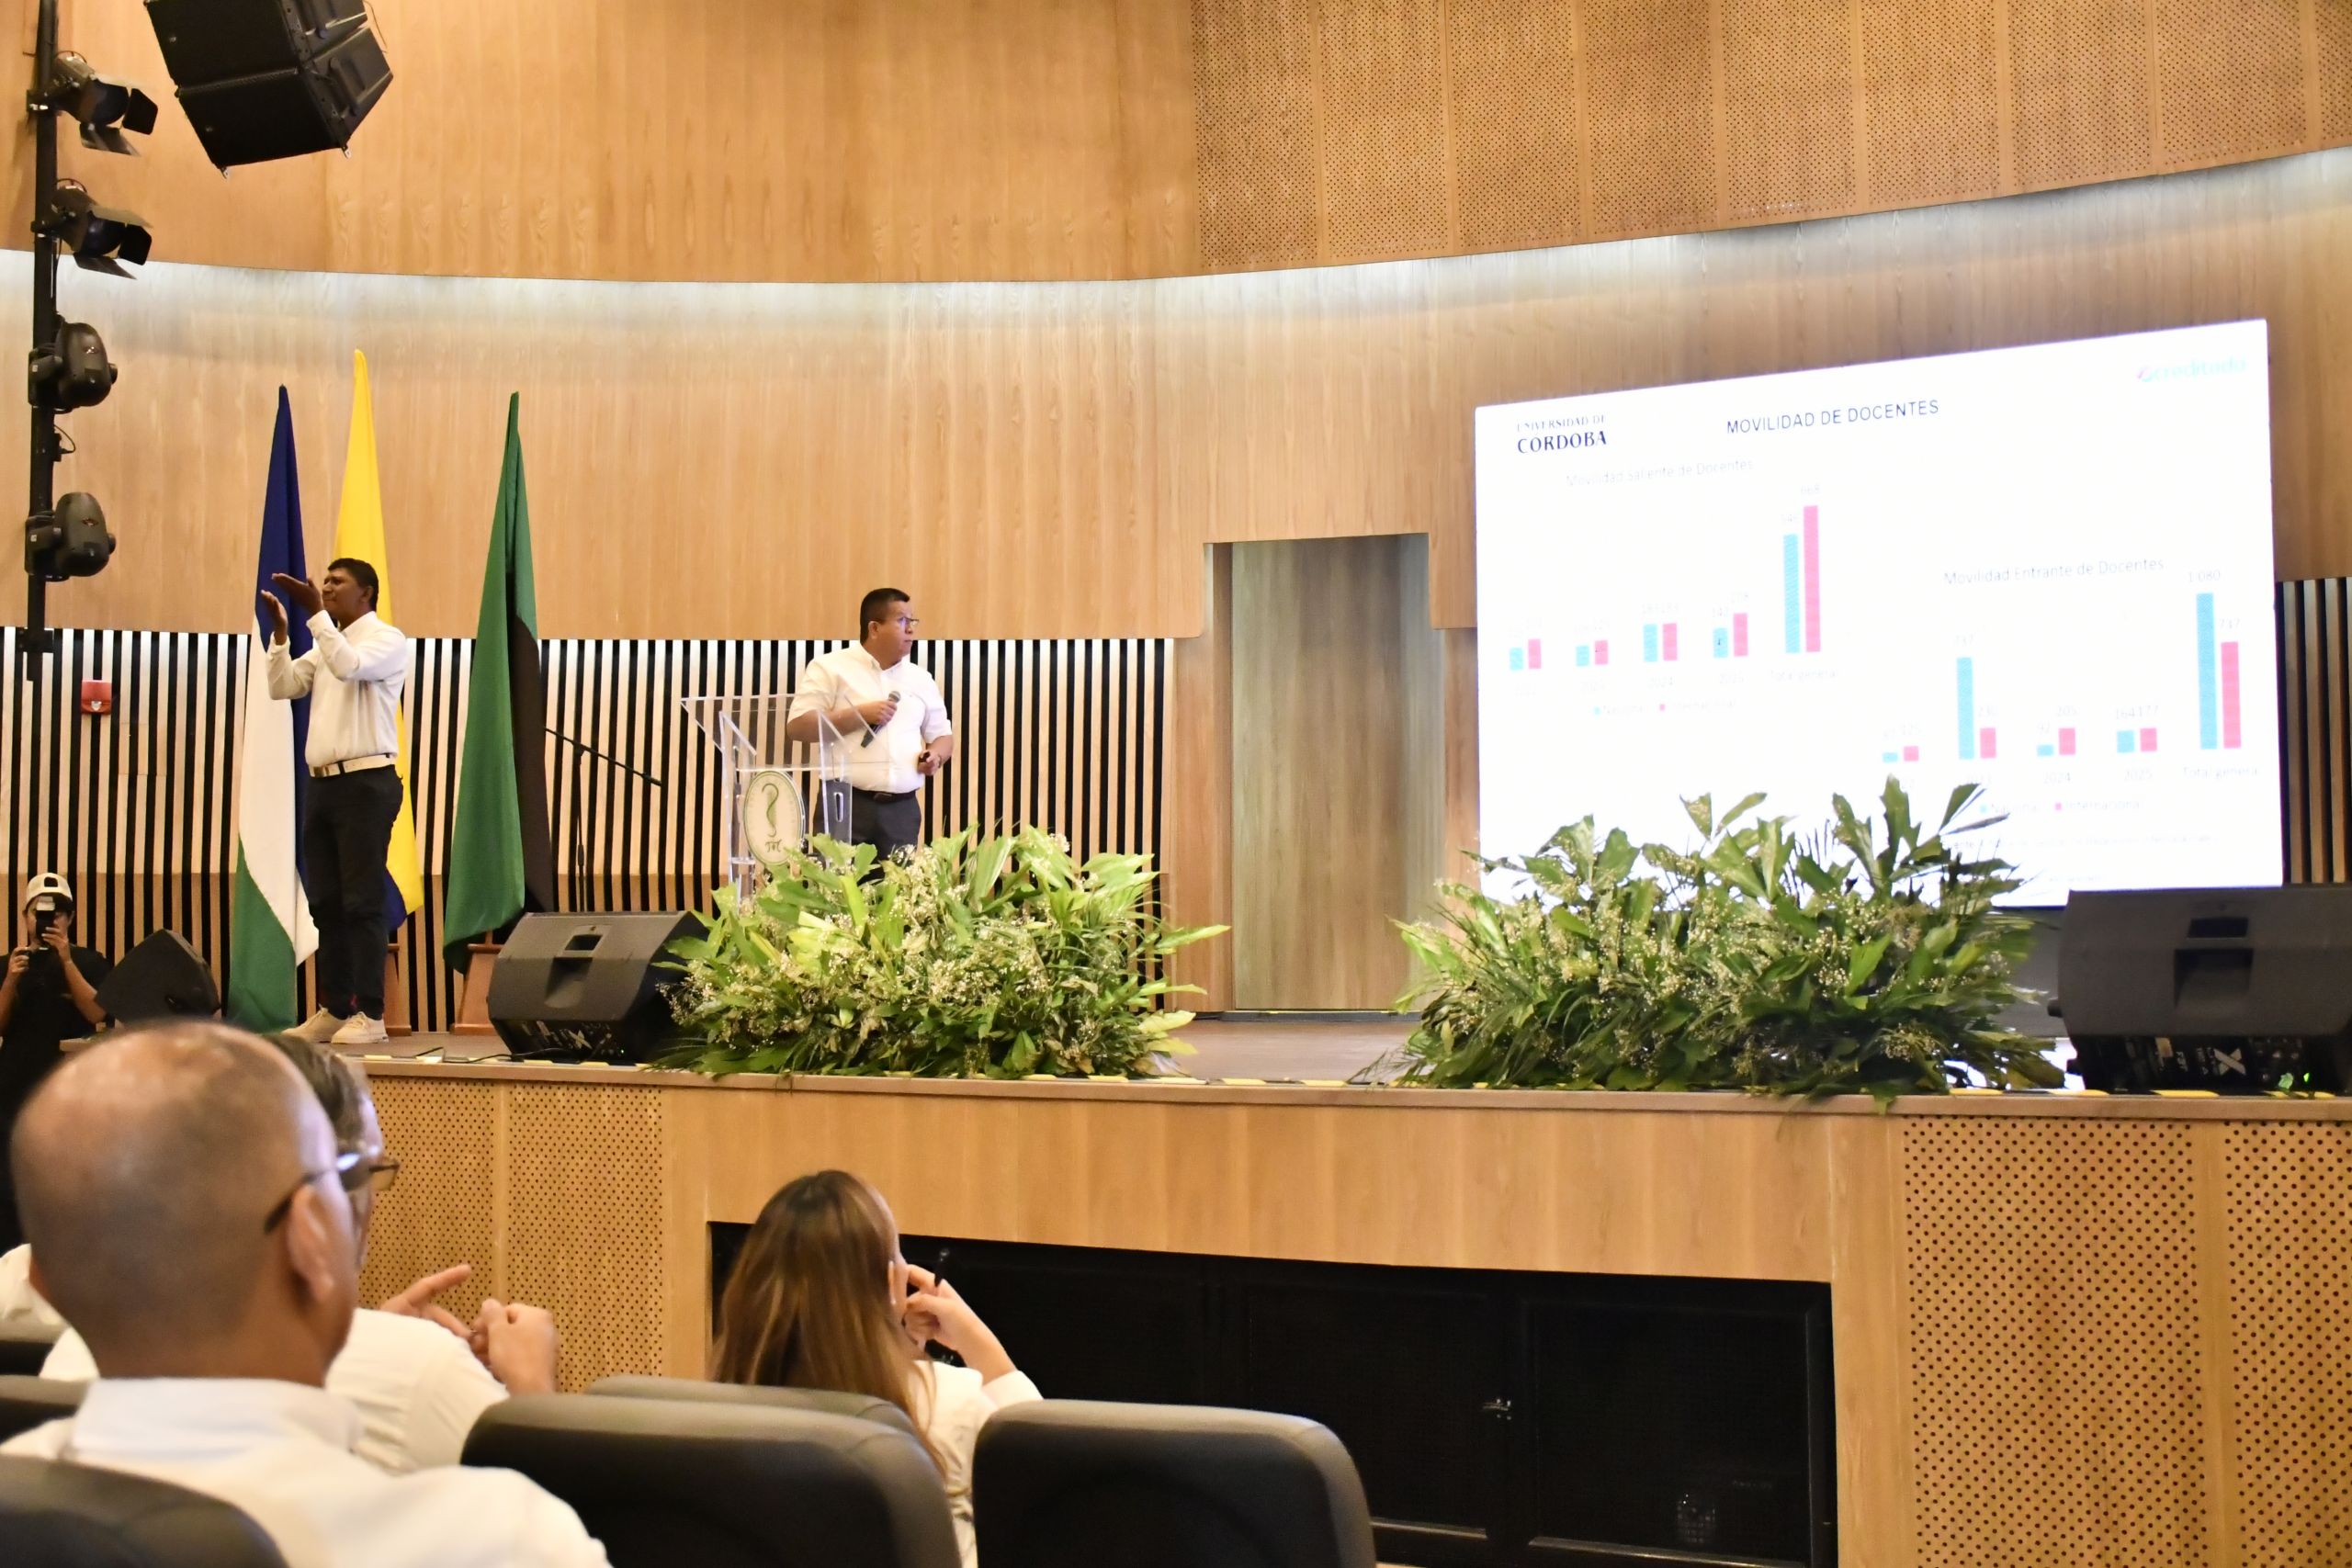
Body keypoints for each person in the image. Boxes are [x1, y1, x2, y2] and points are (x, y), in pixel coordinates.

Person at [40, 1032, 555, 1472]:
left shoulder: (70, 1358)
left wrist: (355, 1326)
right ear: (315, 1214)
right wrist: (533, 1398)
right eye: (371, 1174)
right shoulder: (424, 1374)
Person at [710, 1168, 1037, 1568]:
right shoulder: (952, 1403)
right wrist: (983, 1349)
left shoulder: (716, 1417)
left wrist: (905, 1352)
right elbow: (1040, 1488)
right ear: (890, 1282)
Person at [261, 557, 411, 1047]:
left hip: (367, 784)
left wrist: (313, 615)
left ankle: (371, 1014)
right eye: (323, 581)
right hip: (322, 787)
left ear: (365, 593)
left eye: (336, 582)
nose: (324, 587)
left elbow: (350, 669)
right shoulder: (327, 642)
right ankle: (335, 1007)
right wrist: (282, 636)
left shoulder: (386, 639)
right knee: (325, 904)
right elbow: (283, 686)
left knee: (362, 902)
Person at [786, 588, 956, 861]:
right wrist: (858, 716)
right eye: (902, 621)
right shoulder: (830, 668)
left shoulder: (920, 678)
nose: (911, 630)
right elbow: (797, 726)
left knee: (899, 898)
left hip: (902, 810)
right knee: (837, 895)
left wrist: (934, 755)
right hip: (845, 804)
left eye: (913, 622)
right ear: (874, 628)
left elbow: (943, 737)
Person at [0, 872, 111, 1251]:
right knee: (9, 1188)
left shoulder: (90, 961)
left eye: (58, 913)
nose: (49, 921)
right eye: (40, 913)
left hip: (73, 1095)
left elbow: (97, 1012)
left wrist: (66, 960)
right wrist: (11, 980)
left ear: (71, 918)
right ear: (25, 917)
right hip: (13, 1093)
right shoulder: (8, 964)